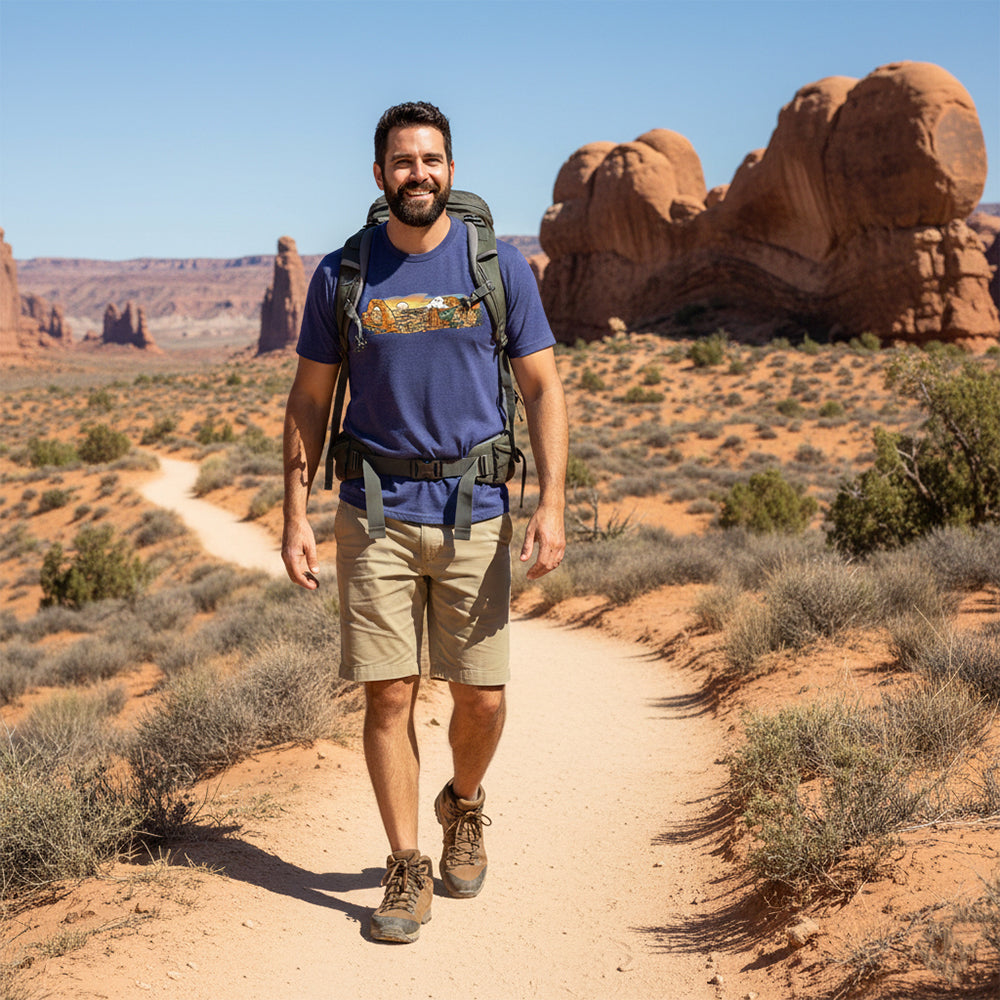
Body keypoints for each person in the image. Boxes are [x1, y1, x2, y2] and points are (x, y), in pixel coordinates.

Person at [282, 101, 567, 944]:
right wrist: (294, 514)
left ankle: (463, 803)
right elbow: (308, 401)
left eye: (432, 160)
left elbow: (543, 387)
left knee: (482, 696)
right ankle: (405, 864)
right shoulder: (344, 274)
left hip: (476, 511)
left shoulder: (497, 267)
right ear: (380, 175)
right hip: (374, 513)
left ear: (451, 169)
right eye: (403, 162)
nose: (419, 174)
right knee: (389, 693)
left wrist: (552, 501)